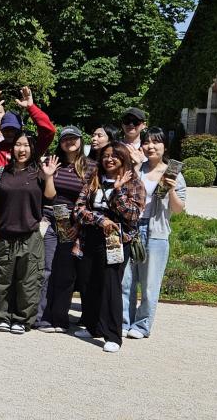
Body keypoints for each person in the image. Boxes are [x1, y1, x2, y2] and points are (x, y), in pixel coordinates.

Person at [0, 87, 56, 311]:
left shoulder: (29, 151)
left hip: (24, 210)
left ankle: (16, 307)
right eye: (5, 129)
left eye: (13, 131)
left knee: (22, 264)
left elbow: (48, 131)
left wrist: (31, 108)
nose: (8, 134)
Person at [73, 142, 146, 353]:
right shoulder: (93, 179)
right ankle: (93, 325)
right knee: (88, 281)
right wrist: (98, 219)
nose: (109, 159)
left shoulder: (134, 184)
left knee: (110, 285)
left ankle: (113, 334)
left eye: (115, 155)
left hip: (116, 240)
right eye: (105, 155)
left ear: (124, 158)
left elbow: (132, 215)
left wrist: (118, 191)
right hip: (91, 236)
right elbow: (78, 209)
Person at [0, 130, 60, 334]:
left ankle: (21, 319)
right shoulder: (2, 173)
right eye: (18, 144)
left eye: (26, 145)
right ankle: (2, 315)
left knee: (28, 281)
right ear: (12, 147)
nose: (22, 149)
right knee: (0, 280)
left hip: (30, 234)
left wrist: (49, 177)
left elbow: (50, 198)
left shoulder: (39, 172)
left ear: (32, 148)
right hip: (3, 233)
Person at [122, 126, 186, 339]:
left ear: (164, 146)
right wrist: (136, 166)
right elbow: (126, 195)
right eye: (147, 142)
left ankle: (142, 326)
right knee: (126, 280)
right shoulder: (136, 169)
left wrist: (171, 190)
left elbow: (178, 209)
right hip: (131, 229)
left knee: (150, 285)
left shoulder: (173, 174)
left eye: (155, 142)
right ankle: (124, 322)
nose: (150, 146)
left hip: (156, 233)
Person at [36, 125, 92, 331]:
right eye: (65, 138)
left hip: (76, 222)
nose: (70, 142)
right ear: (60, 143)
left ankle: (60, 318)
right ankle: (42, 317)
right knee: (47, 269)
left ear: (80, 141)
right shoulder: (53, 163)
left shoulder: (90, 166)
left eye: (74, 138)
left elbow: (91, 199)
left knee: (67, 273)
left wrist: (79, 223)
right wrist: (49, 175)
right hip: (52, 218)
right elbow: (49, 196)